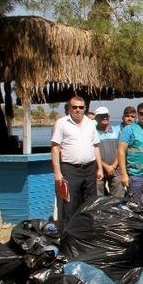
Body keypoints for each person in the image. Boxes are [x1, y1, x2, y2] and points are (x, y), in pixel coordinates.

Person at [50, 96, 103, 227]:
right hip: (70, 169)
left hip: (90, 168)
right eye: (74, 107)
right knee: (69, 205)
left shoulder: (91, 124)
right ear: (69, 108)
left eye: (81, 107)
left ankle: (86, 234)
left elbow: (95, 146)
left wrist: (100, 168)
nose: (78, 110)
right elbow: (55, 148)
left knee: (90, 203)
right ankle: (68, 236)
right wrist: (57, 172)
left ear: (85, 109)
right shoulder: (61, 123)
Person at [94, 107, 124, 197]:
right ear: (96, 118)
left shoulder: (117, 130)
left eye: (106, 115)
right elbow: (92, 151)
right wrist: (105, 166)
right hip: (98, 169)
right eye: (101, 116)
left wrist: (113, 166)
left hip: (116, 169)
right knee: (98, 197)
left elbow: (121, 150)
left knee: (118, 197)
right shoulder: (92, 132)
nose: (104, 118)